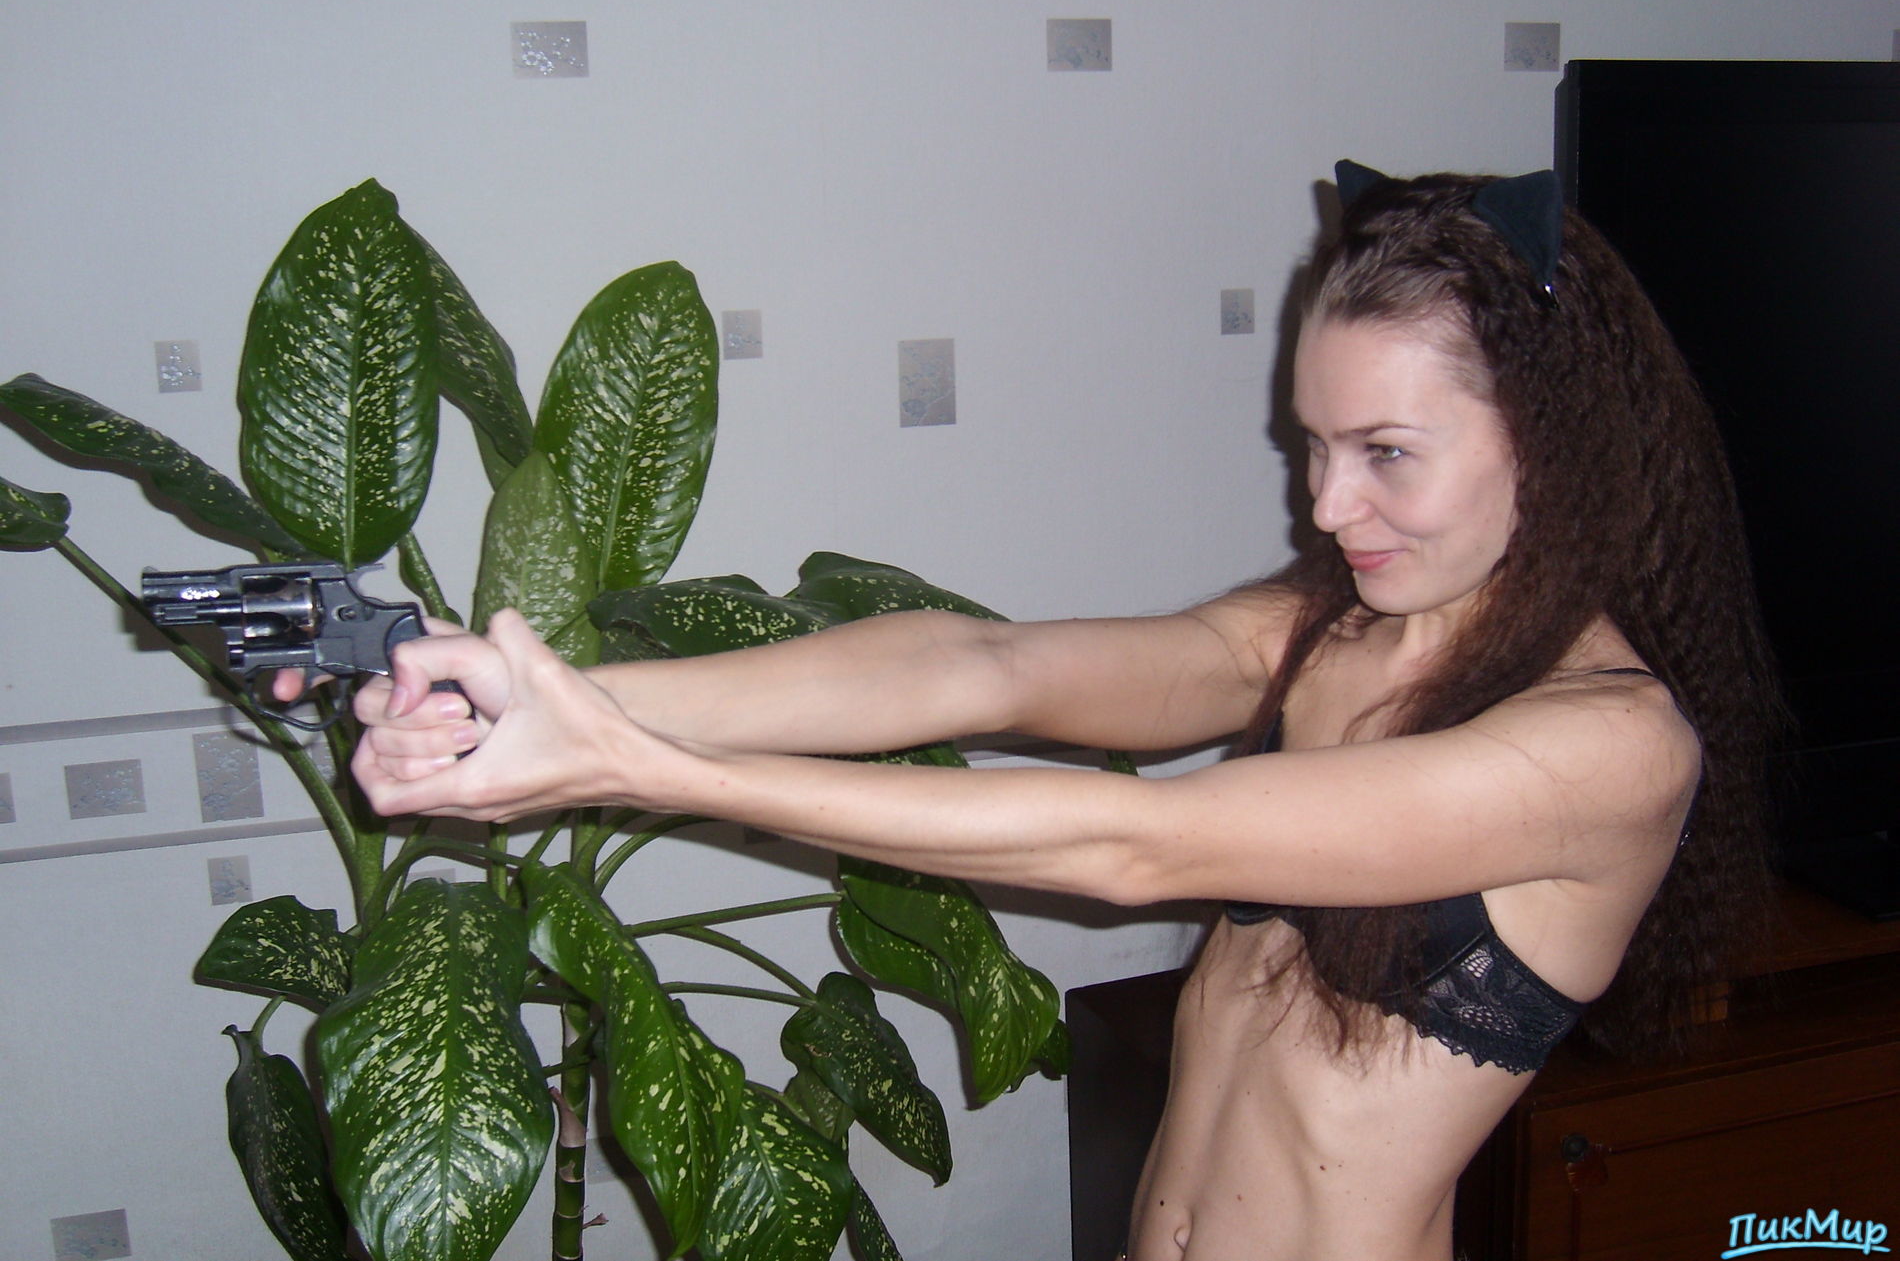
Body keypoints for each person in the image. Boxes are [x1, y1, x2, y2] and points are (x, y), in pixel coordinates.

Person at [347, 166, 1778, 1261]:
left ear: (1553, 442)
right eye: (1316, 447)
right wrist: (556, 692)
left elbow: (1135, 843)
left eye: (1386, 453)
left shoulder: (1609, 749)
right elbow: (984, 665)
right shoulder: (1334, 631)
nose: (1330, 506)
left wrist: (637, 767)